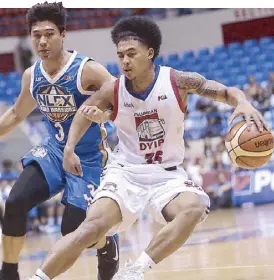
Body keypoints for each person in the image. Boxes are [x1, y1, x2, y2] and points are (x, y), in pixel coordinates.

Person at [27, 16, 268, 280]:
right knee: (90, 229)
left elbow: (225, 92)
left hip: (167, 175)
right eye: (120, 56)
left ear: (150, 53)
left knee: (194, 208)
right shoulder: (113, 89)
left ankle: (134, 271)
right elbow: (84, 114)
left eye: (132, 54)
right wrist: (70, 147)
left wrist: (243, 102)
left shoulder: (178, 81)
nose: (125, 61)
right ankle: (37, 278)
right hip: (125, 172)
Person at [0, 2, 120, 280]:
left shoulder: (87, 70)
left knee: (73, 233)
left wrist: (103, 113)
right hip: (54, 152)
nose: (42, 41)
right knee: (15, 203)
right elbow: (17, 113)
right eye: (36, 35)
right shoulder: (32, 75)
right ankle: (8, 274)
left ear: (63, 34)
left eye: (49, 34)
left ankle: (106, 243)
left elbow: (121, 99)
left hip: (89, 158)